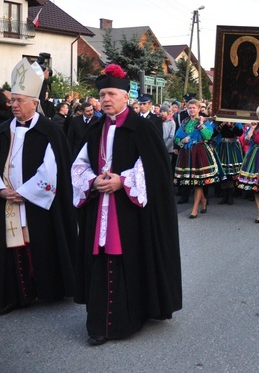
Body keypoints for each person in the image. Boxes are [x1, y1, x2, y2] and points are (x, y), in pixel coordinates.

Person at [71, 64, 182, 346]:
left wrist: (124, 181)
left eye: (110, 94)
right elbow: (79, 164)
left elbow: (154, 169)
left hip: (130, 213)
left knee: (128, 262)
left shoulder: (142, 128)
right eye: (102, 94)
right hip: (100, 210)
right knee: (99, 261)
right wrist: (93, 181)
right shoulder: (95, 128)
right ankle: (97, 324)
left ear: (124, 97)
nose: (105, 99)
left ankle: (127, 320)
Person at [0, 58, 75, 317]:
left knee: (39, 242)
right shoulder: (1, 131)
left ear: (35, 102)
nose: (14, 105)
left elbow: (52, 169)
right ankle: (12, 296)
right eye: (12, 100)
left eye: (19, 100)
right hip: (8, 200)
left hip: (37, 202)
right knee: (11, 245)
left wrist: (27, 192)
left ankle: (48, 289)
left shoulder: (49, 131)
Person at [174, 100, 223, 219]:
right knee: (192, 180)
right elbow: (176, 137)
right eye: (190, 108)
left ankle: (195, 208)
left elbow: (208, 136)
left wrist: (201, 124)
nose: (191, 110)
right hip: (187, 153)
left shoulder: (205, 121)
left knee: (198, 182)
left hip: (200, 152)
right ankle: (204, 201)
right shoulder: (185, 122)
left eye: (194, 108)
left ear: (198, 109)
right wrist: (181, 141)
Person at [213, 121, 244, 205]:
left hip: (232, 147)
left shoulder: (236, 122)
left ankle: (230, 196)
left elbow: (239, 133)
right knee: (222, 172)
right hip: (221, 146)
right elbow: (213, 134)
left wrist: (231, 125)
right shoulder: (218, 121)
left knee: (231, 173)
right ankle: (224, 195)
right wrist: (221, 125)